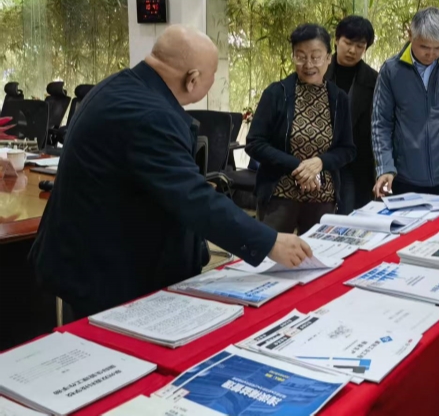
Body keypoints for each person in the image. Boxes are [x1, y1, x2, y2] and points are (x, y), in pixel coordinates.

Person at [29, 26, 312, 320]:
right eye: (213, 76)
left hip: (91, 255)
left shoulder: (120, 86)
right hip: (107, 273)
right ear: (193, 79)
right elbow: (192, 199)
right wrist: (269, 242)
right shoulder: (151, 115)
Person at [246, 24, 356, 235]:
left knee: (319, 253)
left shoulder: (338, 98)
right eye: (301, 56)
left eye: (316, 57)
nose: (308, 64)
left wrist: (320, 163)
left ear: (328, 58)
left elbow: (347, 149)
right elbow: (255, 143)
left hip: (323, 198)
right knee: (272, 253)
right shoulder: (276, 93)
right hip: (279, 196)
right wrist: (298, 167)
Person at [372, 7, 439, 198]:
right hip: (404, 179)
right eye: (424, 47)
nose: (431, 54)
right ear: (410, 35)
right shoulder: (391, 70)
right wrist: (385, 167)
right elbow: (381, 124)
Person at [324, 15, 378, 214]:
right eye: (348, 43)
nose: (352, 50)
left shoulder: (374, 80)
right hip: (322, 158)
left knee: (355, 216)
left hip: (358, 163)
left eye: (360, 46)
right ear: (336, 40)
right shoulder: (318, 72)